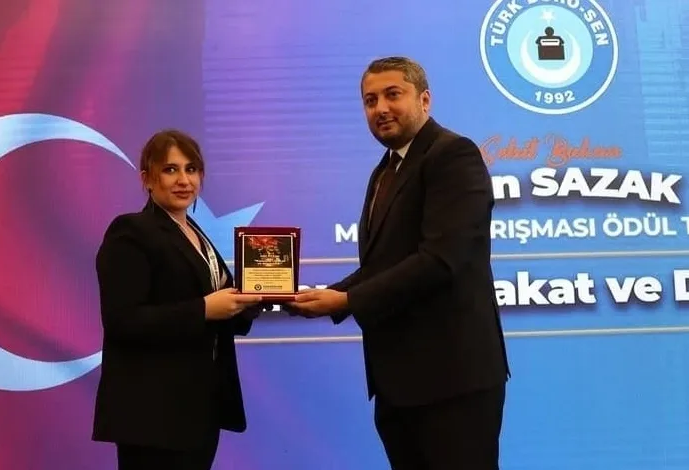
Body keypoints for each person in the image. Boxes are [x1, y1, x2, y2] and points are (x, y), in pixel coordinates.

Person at [289, 57, 510, 469]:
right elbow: (384, 264)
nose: (381, 108)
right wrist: (326, 296)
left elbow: (440, 260)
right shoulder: (386, 169)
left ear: (424, 100)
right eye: (370, 100)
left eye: (393, 95)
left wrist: (347, 301)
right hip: (398, 384)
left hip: (452, 381)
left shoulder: (453, 155)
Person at [92, 129, 265, 470]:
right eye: (170, 169)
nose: (184, 180)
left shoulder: (196, 234)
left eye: (191, 169)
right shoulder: (130, 231)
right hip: (153, 415)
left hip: (199, 408)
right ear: (147, 179)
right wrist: (204, 309)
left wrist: (259, 297)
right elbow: (122, 320)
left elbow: (224, 310)